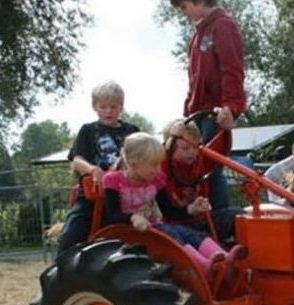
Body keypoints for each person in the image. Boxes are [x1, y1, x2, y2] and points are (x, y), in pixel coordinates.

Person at [102, 133, 246, 277]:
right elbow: (112, 216)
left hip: (155, 228)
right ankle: (201, 265)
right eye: (154, 164)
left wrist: (191, 208)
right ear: (134, 164)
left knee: (188, 233)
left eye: (159, 163)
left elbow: (169, 211)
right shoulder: (114, 181)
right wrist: (133, 218)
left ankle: (224, 258)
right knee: (172, 235)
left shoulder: (155, 179)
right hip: (129, 230)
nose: (158, 169)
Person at [170, 0, 247, 212]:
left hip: (215, 114)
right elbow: (194, 81)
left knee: (211, 168)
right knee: (191, 167)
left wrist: (231, 107)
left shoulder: (223, 27)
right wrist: (185, 117)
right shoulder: (198, 35)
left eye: (184, 6)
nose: (184, 13)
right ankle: (196, 216)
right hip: (198, 115)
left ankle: (222, 220)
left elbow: (231, 69)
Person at [56, 81, 140, 254]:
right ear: (95, 107)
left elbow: (144, 155)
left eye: (113, 106)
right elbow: (77, 160)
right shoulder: (88, 131)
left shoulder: (132, 131)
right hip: (93, 197)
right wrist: (93, 170)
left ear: (121, 107)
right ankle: (62, 268)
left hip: (127, 197)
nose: (108, 111)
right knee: (71, 236)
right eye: (103, 106)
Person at [160, 118, 241, 245]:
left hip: (201, 223)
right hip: (175, 228)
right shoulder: (163, 167)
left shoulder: (200, 162)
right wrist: (191, 209)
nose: (192, 152)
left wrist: (226, 129)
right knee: (198, 238)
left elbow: (220, 149)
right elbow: (161, 156)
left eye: (195, 146)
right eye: (185, 148)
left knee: (241, 217)